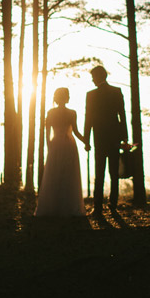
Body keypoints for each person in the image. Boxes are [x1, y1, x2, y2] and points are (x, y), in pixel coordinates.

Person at [35, 87, 86, 217]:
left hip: (56, 143)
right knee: (69, 175)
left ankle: (53, 206)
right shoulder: (71, 113)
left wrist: (49, 145)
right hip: (69, 144)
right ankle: (69, 207)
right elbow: (75, 131)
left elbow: (47, 132)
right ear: (66, 98)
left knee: (54, 174)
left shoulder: (51, 112)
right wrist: (86, 141)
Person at [84, 65, 127, 216]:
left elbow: (88, 118)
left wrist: (86, 139)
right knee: (114, 173)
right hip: (115, 137)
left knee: (99, 172)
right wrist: (125, 137)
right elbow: (122, 115)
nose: (92, 80)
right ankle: (113, 205)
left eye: (93, 77)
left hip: (99, 138)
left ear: (98, 77)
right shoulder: (116, 92)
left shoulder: (91, 95)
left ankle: (98, 207)